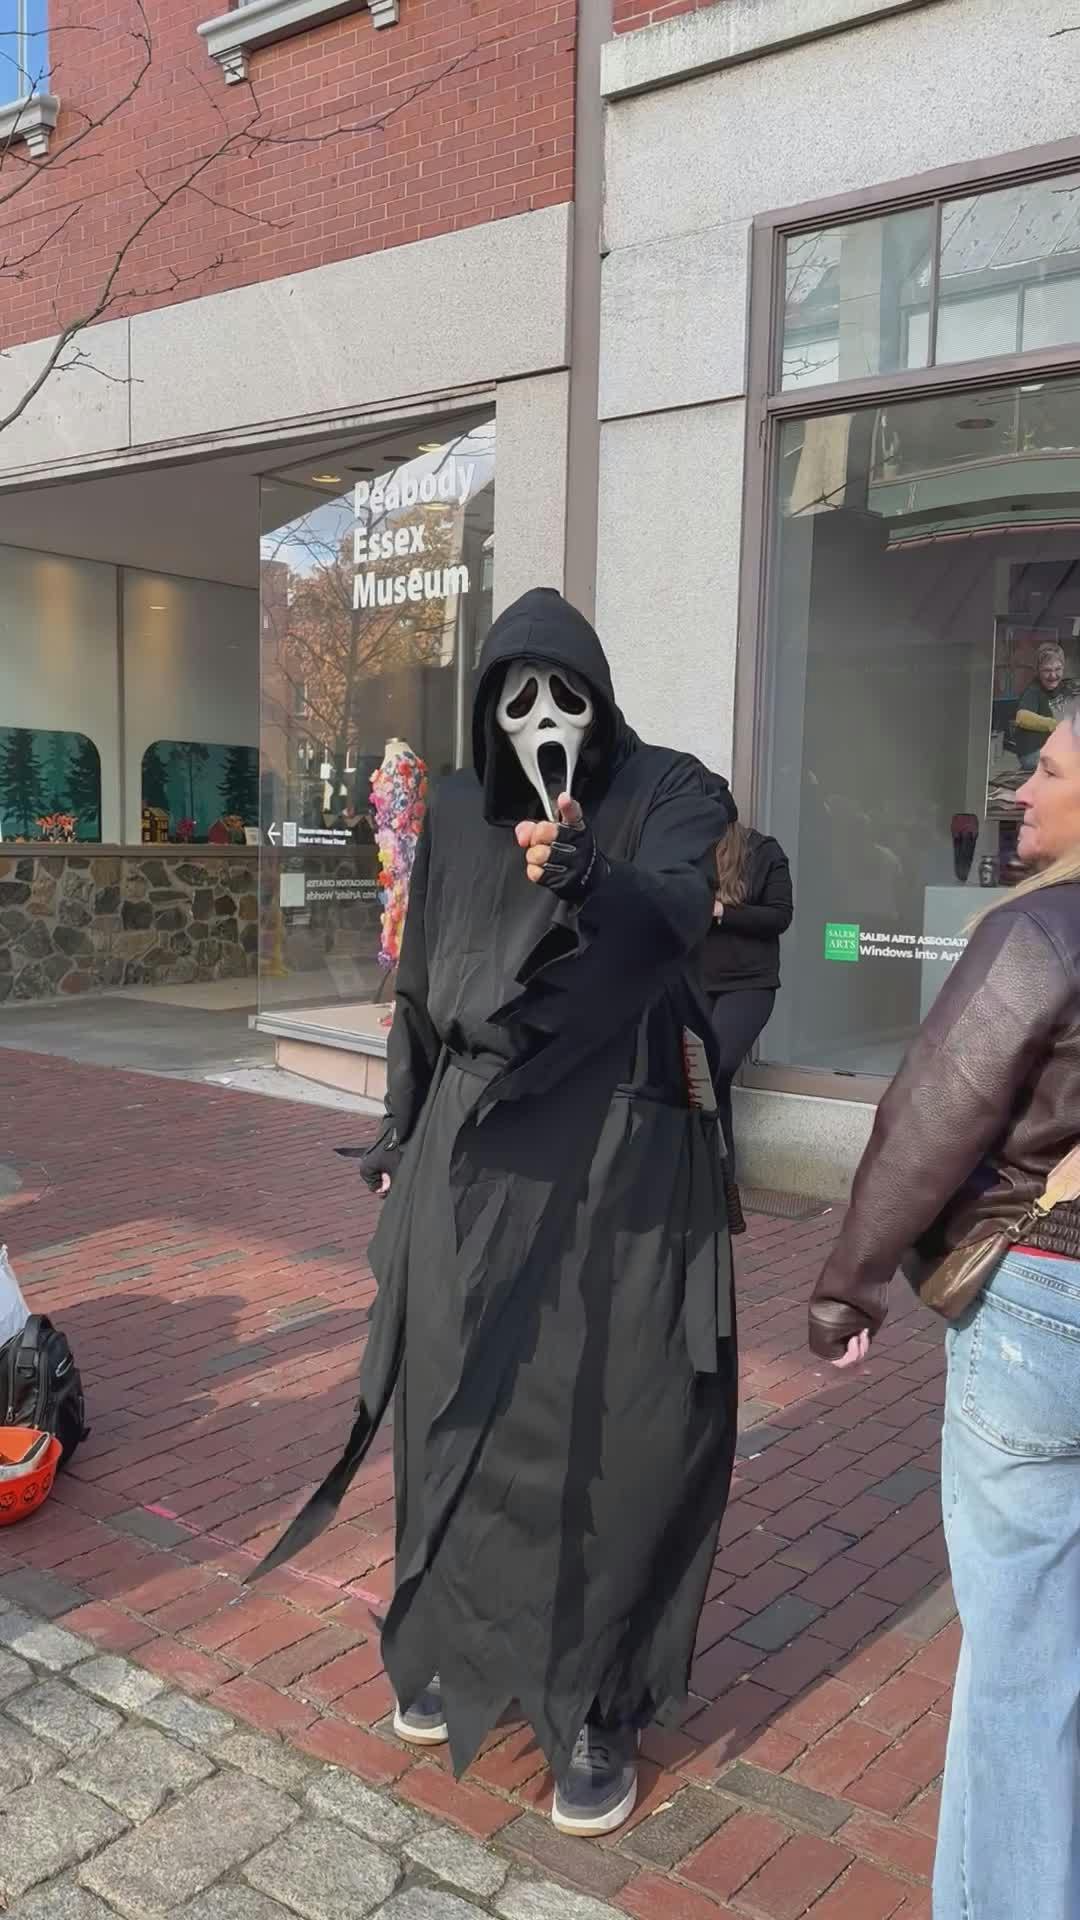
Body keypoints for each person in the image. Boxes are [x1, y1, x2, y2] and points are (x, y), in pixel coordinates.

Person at [258, 588, 739, 1837]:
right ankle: (454, 1644)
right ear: (485, 706)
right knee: (455, 1409)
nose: (541, 717)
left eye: (562, 692)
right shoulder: (463, 812)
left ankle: (596, 1704)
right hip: (468, 1163)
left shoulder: (674, 792)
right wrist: (400, 1125)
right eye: (514, 696)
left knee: (617, 1428)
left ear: (599, 692)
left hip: (618, 1165)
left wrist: (591, 875)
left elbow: (674, 912)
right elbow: (422, 990)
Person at [808, 704, 1080, 1920]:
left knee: (1021, 1664)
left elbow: (934, 1111)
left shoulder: (1043, 932)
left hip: (1045, 1310)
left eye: (1051, 768)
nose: (1022, 788)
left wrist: (847, 1285)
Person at [702, 821, 792, 1166]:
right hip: (694, 981)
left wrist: (723, 911)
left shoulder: (763, 850)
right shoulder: (687, 843)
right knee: (702, 1083)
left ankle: (715, 1175)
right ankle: (716, 1177)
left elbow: (780, 915)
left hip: (748, 983)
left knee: (716, 1069)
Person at [1014, 640, 1077, 771]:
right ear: (1038, 671)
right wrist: (1053, 724)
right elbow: (1021, 717)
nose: (1053, 675)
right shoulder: (1034, 690)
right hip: (1033, 754)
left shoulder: (1064, 689)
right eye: (1047, 670)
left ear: (1063, 667)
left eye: (1058, 669)